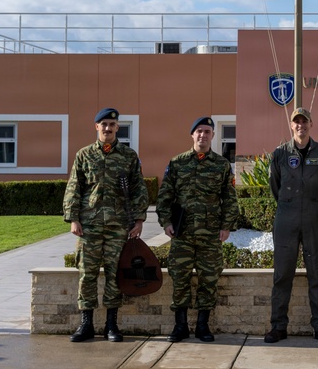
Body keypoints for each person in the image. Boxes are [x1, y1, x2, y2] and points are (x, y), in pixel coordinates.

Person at [63, 107, 148, 343]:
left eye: (112, 125)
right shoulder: (84, 155)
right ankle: (86, 324)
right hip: (88, 227)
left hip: (118, 226)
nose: (108, 129)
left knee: (114, 275)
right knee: (87, 274)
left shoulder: (128, 156)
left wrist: (139, 220)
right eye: (103, 125)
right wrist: (73, 218)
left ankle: (111, 324)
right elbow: (74, 188)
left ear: (117, 127)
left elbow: (139, 188)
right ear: (96, 127)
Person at [155, 116, 238, 343]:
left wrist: (226, 226)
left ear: (212, 135)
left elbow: (229, 199)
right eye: (199, 131)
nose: (202, 135)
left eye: (207, 131)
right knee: (180, 278)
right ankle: (180, 326)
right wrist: (167, 223)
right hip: (182, 234)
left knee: (208, 279)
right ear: (192, 135)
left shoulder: (221, 165)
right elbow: (164, 198)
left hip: (211, 235)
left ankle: (203, 325)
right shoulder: (177, 163)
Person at [265, 107, 318, 344]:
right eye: (297, 122)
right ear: (291, 125)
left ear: (311, 125)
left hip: (315, 217)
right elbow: (275, 185)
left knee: (317, 274)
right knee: (282, 274)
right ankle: (278, 326)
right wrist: (290, 204)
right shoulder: (279, 154)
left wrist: (312, 203)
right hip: (286, 218)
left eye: (305, 122)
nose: (301, 126)